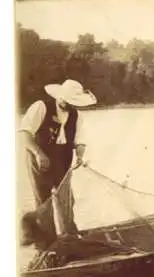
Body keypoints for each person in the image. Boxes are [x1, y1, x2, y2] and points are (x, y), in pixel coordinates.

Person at [18, 79, 97, 248]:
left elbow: (79, 141)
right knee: (43, 200)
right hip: (39, 158)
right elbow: (24, 134)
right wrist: (39, 154)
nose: (71, 106)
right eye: (68, 102)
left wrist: (80, 155)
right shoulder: (41, 107)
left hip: (62, 159)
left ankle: (69, 236)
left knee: (66, 199)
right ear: (60, 97)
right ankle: (45, 243)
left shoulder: (76, 115)